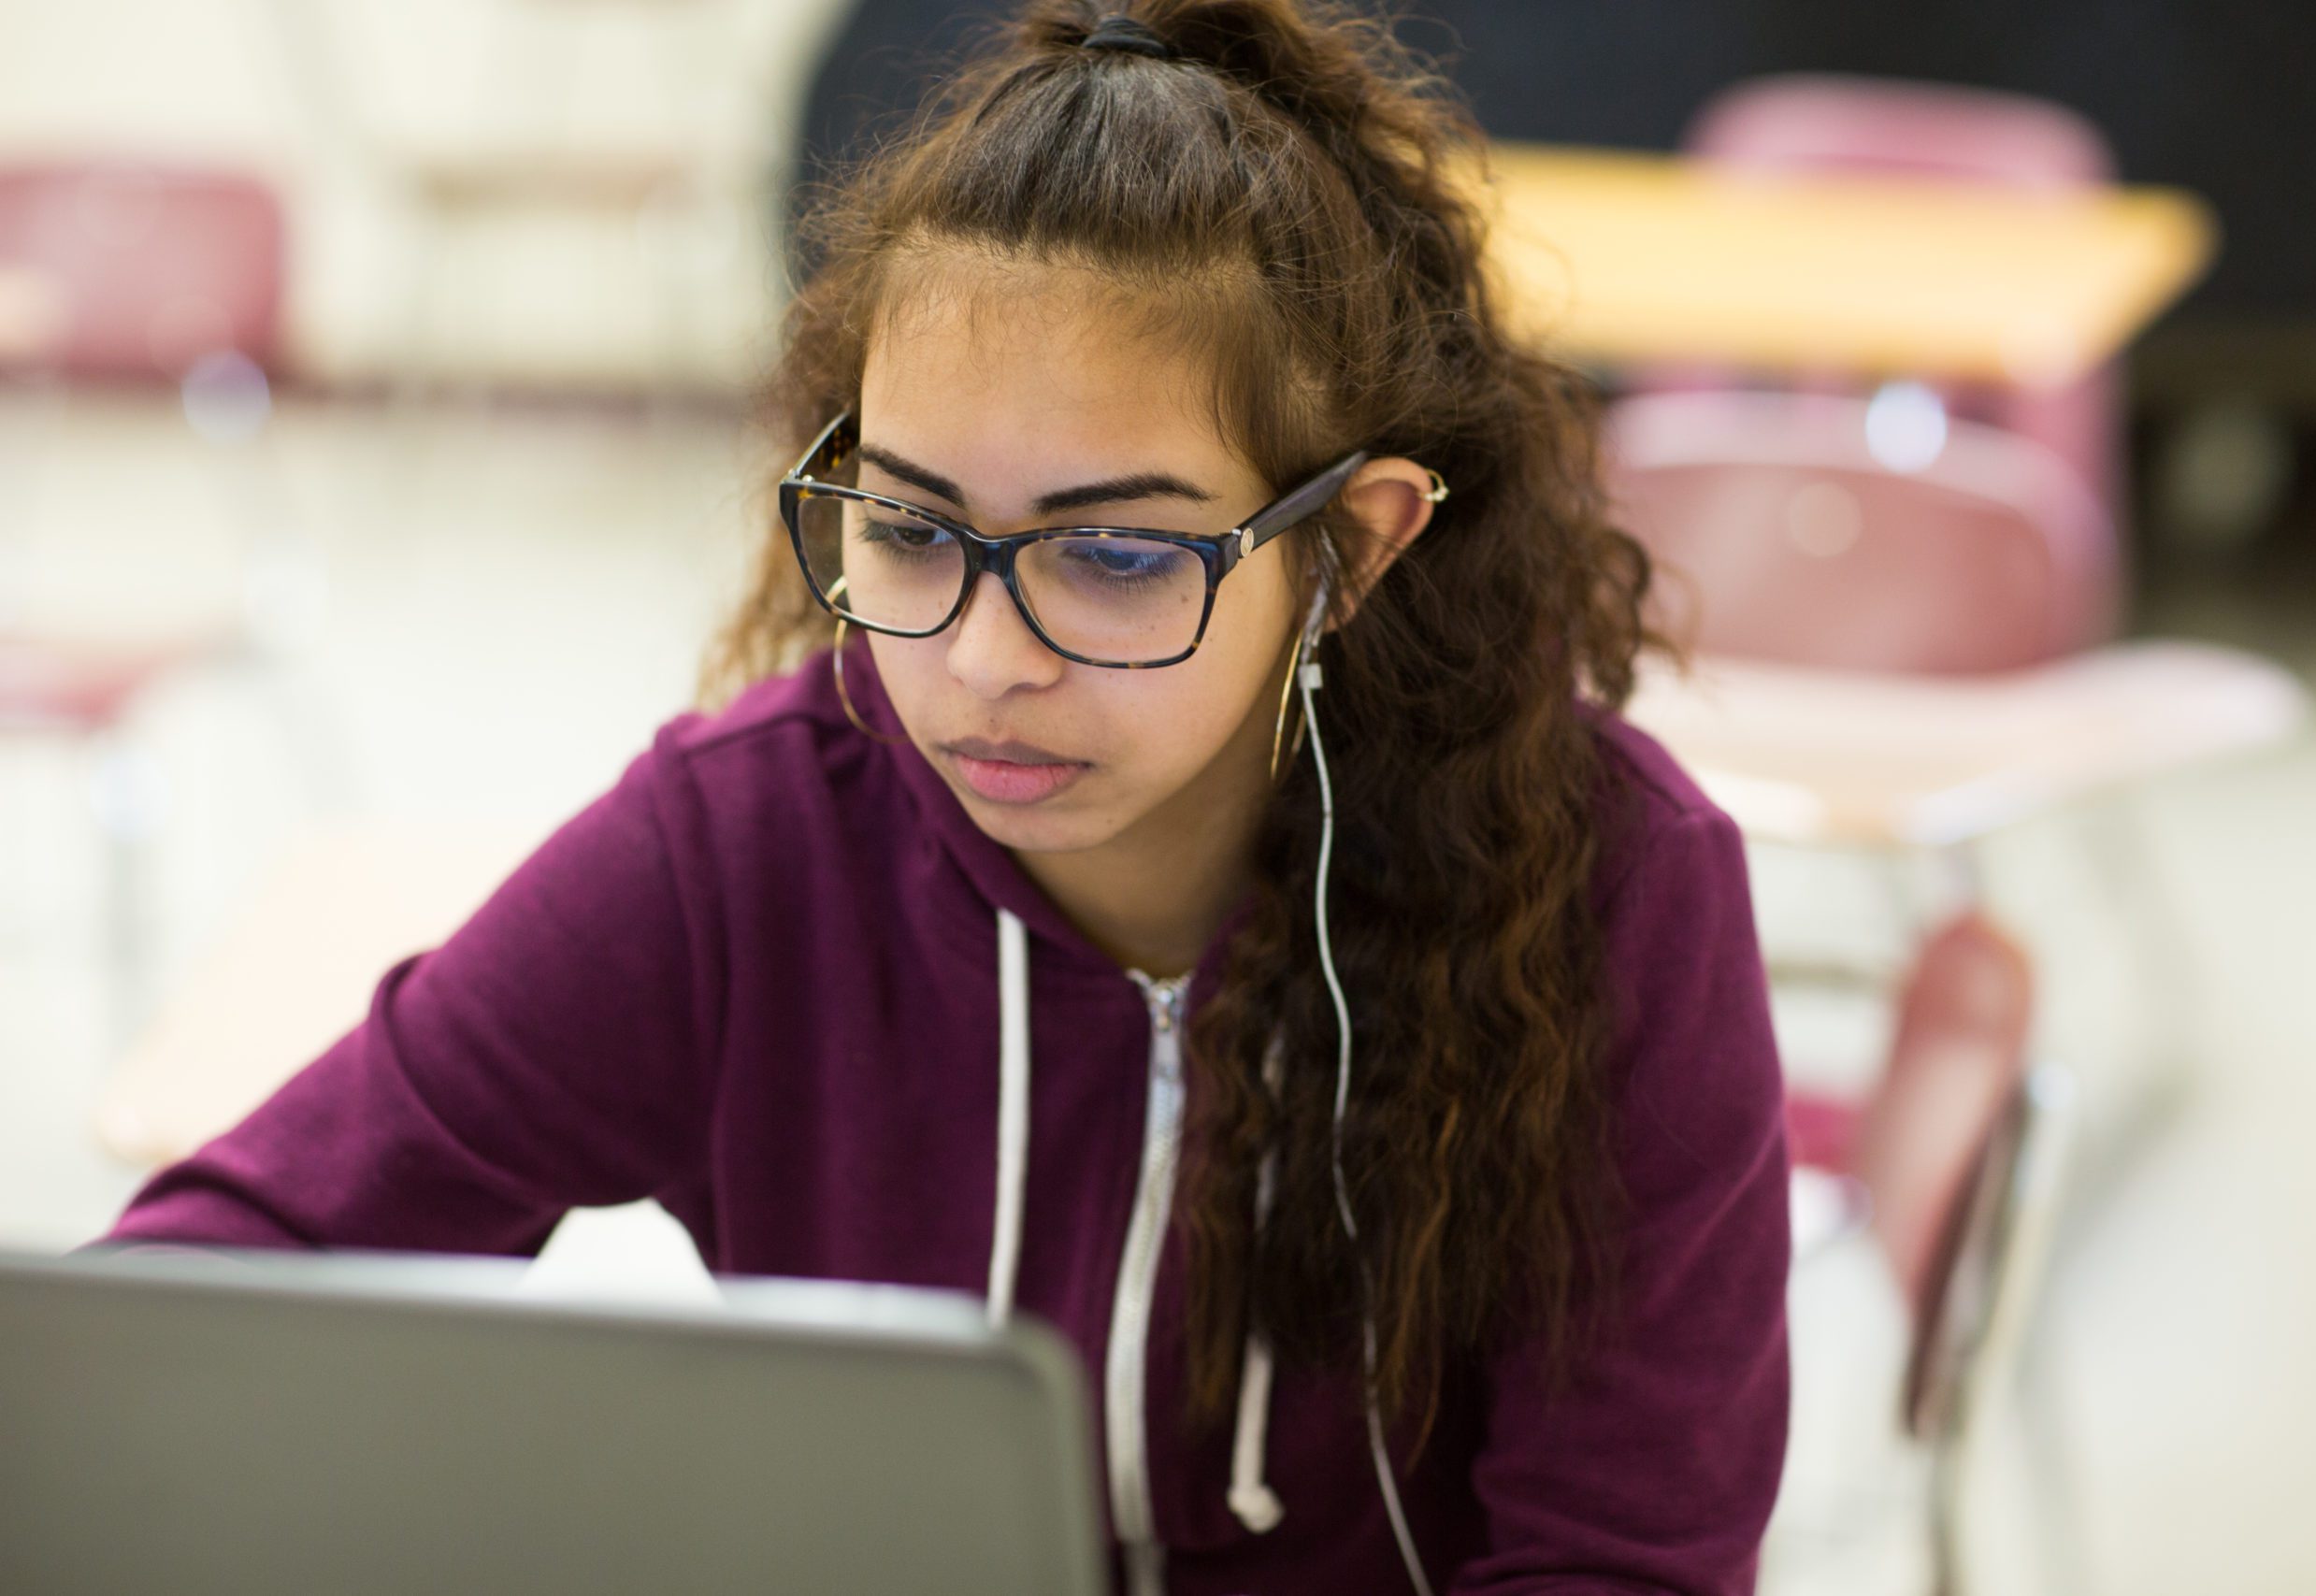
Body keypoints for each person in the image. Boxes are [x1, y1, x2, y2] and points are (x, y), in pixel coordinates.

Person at [94, 4, 1791, 1590]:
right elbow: (217, 1290)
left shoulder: (1613, 894)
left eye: (1118, 554)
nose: (982, 661)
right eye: (909, 530)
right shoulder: (750, 839)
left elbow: (1623, 1557)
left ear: (1348, 549)